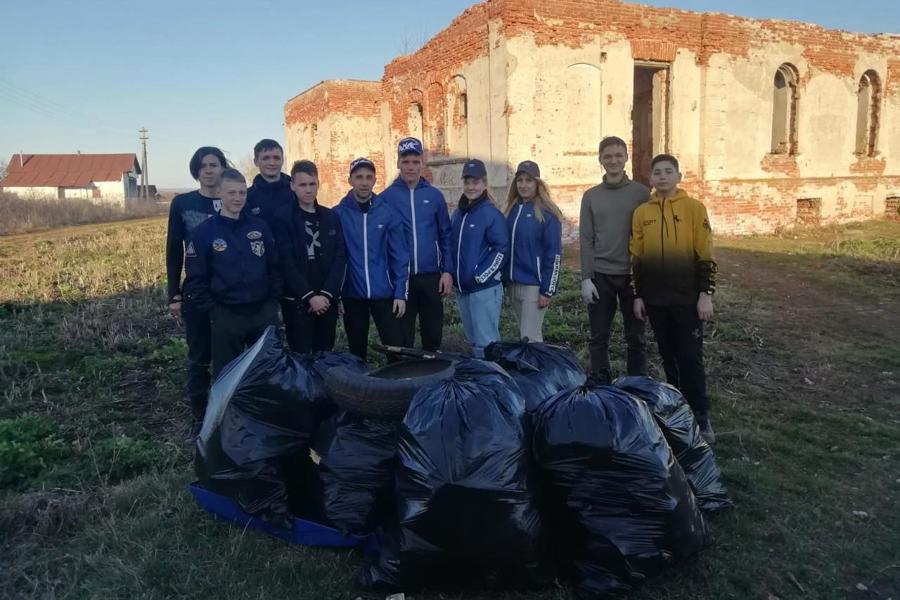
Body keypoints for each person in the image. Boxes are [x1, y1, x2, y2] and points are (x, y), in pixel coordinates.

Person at [630, 153, 717, 444]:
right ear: (651, 179)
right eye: (657, 172)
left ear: (679, 177)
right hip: (655, 300)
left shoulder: (694, 209)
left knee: (690, 357)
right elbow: (637, 257)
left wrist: (705, 295)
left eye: (669, 171)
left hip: (687, 299)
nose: (663, 176)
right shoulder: (643, 213)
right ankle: (676, 413)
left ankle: (701, 417)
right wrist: (638, 296)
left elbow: (705, 254)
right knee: (668, 357)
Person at [183, 168, 282, 378]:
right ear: (219, 192)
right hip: (227, 315)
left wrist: (272, 302)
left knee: (269, 370)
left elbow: (274, 266)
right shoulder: (204, 232)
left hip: (262, 312)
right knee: (228, 375)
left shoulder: (260, 227)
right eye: (231, 193)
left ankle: (266, 411)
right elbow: (195, 278)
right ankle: (229, 411)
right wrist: (215, 311)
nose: (238, 198)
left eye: (242, 193)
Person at [579, 136, 650, 383]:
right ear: (600, 160)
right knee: (599, 334)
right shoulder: (591, 196)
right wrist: (586, 277)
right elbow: (586, 238)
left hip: (633, 276)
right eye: (607, 156)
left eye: (619, 155)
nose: (613, 161)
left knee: (636, 336)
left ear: (627, 158)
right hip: (601, 274)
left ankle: (637, 382)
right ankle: (600, 379)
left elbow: (648, 235)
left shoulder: (641, 193)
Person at [165, 146, 226, 434]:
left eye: (214, 164)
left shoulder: (236, 199)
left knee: (230, 355)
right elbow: (173, 250)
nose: (209, 170)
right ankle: (198, 418)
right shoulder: (183, 204)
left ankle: (229, 413)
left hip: (232, 293)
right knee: (199, 357)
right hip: (198, 292)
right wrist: (173, 293)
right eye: (203, 166)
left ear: (223, 168)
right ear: (196, 171)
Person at [380, 137, 453, 351]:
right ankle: (407, 378)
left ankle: (433, 376)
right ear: (398, 163)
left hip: (431, 276)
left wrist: (447, 271)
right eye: (406, 162)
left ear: (422, 162)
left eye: (415, 161)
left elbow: (445, 235)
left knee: (433, 333)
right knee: (404, 334)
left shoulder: (434, 196)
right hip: (402, 278)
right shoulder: (386, 198)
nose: (410, 166)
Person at [334, 157, 409, 361]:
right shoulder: (338, 214)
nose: (364, 182)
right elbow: (334, 259)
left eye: (368, 177)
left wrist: (400, 293)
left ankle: (395, 388)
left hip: (384, 293)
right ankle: (360, 390)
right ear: (350, 180)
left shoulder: (387, 213)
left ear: (375, 180)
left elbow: (399, 256)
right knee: (356, 352)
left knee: (395, 349)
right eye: (359, 177)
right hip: (352, 294)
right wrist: (337, 294)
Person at [272, 160, 346, 353]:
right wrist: (310, 297)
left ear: (318, 184)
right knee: (301, 356)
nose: (308, 190)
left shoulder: (330, 217)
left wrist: (327, 294)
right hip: (297, 301)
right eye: (302, 184)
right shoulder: (282, 218)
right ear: (293, 186)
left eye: (312, 184)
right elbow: (285, 261)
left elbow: (340, 256)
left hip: (326, 299)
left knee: (325, 354)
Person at [449, 159, 508, 358]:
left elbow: (501, 250)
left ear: (484, 184)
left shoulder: (491, 214)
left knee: (487, 343)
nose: (471, 187)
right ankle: (481, 382)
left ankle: (495, 385)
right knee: (475, 343)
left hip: (483, 289)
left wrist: (480, 276)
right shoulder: (458, 214)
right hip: (463, 290)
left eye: (475, 182)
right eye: (467, 182)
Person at [503, 160, 562, 342]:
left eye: (529, 180)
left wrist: (547, 290)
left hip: (534, 288)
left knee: (529, 339)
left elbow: (554, 255)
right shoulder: (510, 211)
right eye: (520, 180)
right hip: (513, 285)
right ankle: (539, 369)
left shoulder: (547, 213)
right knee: (529, 335)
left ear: (537, 184)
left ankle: (538, 370)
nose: (523, 185)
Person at [245, 138, 294, 229]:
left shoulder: (295, 191)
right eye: (266, 158)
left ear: (282, 160)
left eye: (276, 158)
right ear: (256, 161)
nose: (272, 163)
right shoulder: (247, 197)